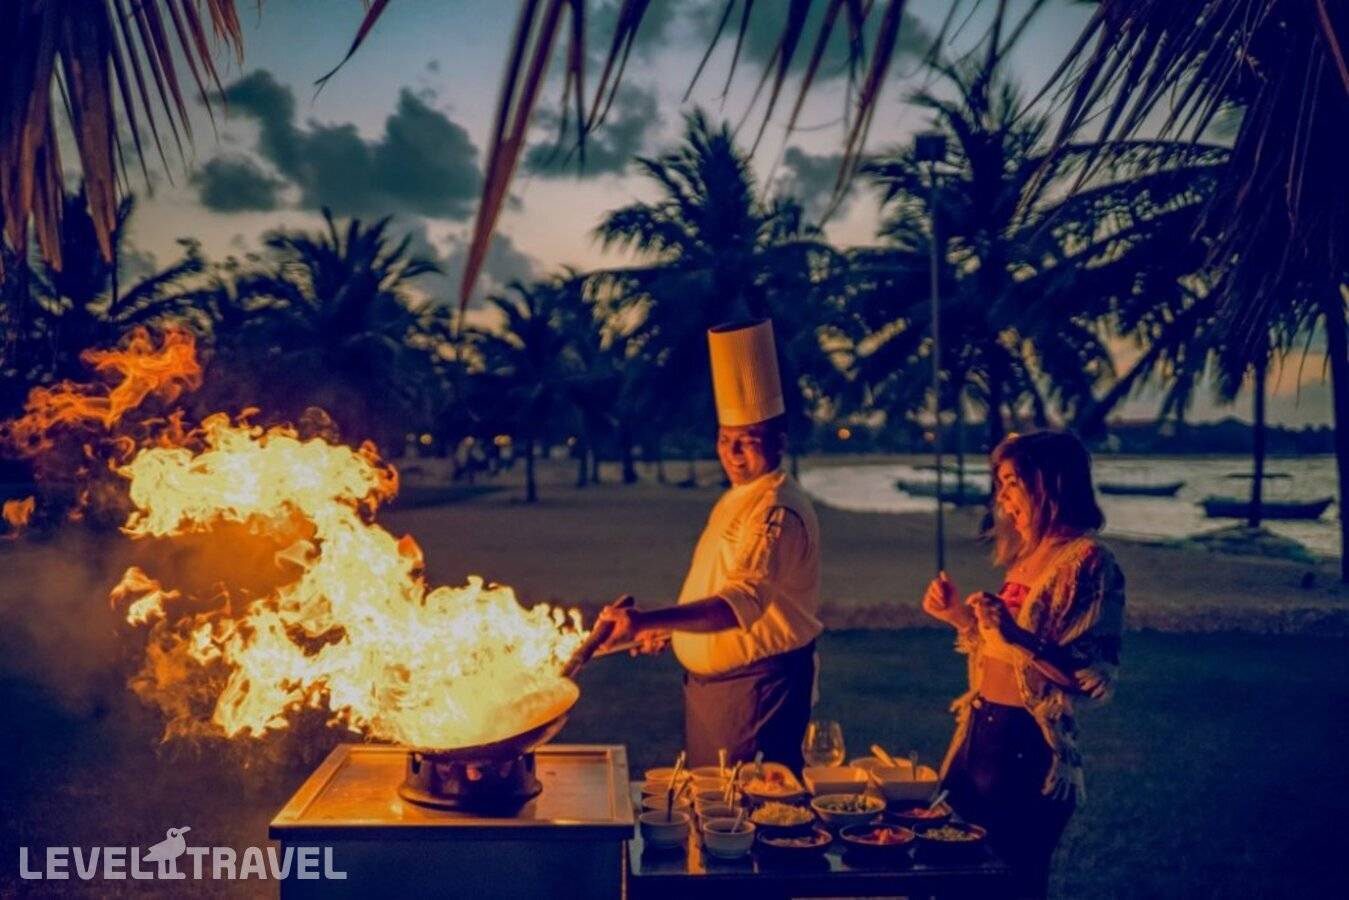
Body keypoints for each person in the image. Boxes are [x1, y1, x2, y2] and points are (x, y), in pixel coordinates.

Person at [599, 319, 822, 771]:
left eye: (748, 442)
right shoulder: (741, 496)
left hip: (757, 692)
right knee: (714, 801)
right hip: (716, 693)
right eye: (725, 440)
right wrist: (670, 630)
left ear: (779, 443)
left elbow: (741, 602)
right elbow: (720, 582)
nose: (733, 453)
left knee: (749, 805)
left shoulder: (776, 510)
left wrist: (644, 621)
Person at [922, 430, 1125, 898]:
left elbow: (1085, 676)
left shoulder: (1089, 560)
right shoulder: (1028, 557)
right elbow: (1002, 655)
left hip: (1026, 747)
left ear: (1049, 483)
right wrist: (957, 616)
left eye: (1012, 483)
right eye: (1000, 484)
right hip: (980, 733)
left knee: (1009, 880)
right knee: (953, 872)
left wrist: (1016, 634)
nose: (1002, 498)